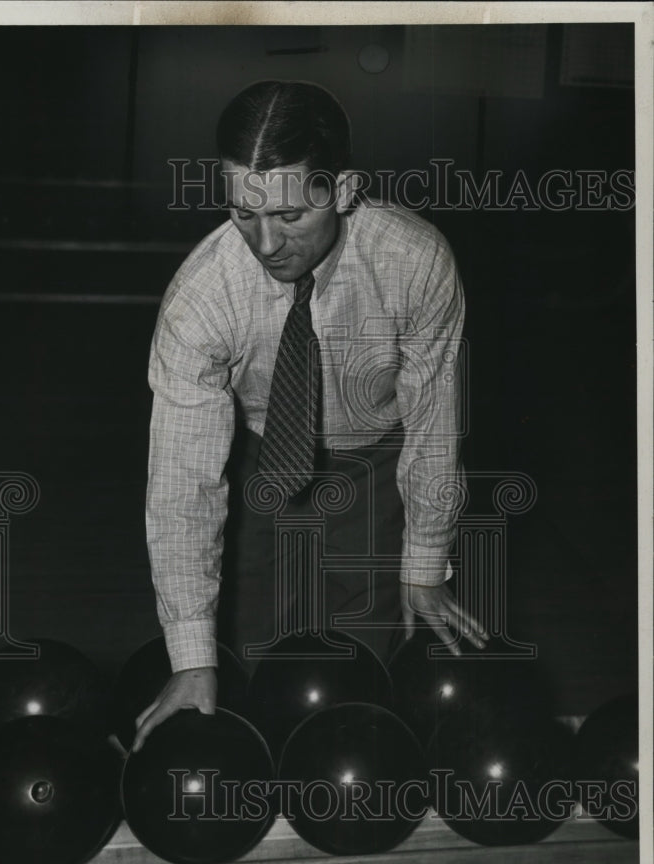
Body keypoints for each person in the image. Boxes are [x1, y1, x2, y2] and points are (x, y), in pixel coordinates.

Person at [133, 80, 488, 751]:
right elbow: (182, 486)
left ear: (345, 191)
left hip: (378, 455)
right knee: (257, 667)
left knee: (357, 677)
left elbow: (436, 419)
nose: (266, 244)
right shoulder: (201, 300)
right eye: (243, 214)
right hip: (264, 452)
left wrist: (424, 564)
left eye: (291, 217)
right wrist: (191, 659)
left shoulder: (415, 262)